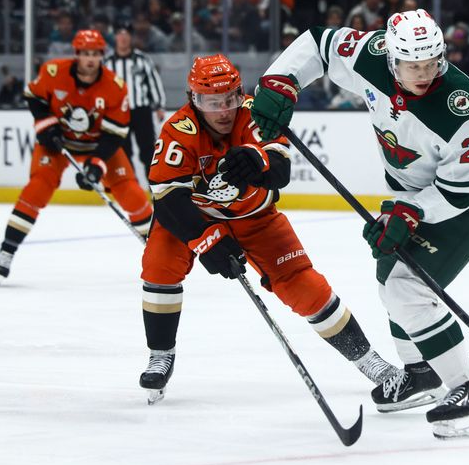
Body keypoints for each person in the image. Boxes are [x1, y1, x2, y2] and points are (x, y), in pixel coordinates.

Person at [249, 10, 469, 440]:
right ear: (391, 60)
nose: (424, 74)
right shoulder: (371, 54)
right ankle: (421, 373)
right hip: (410, 196)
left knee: (409, 290)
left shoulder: (461, 104)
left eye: (431, 63)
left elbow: (459, 192)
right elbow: (319, 44)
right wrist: (281, 81)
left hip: (464, 206)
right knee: (389, 276)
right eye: (413, 66)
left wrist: (408, 214)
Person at [138, 54, 398, 404]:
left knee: (304, 285)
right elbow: (168, 202)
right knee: (158, 265)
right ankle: (161, 355)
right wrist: (207, 240)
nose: (223, 110)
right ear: (193, 100)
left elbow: (280, 170)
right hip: (196, 217)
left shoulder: (254, 113)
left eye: (229, 98)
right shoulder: (178, 132)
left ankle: (373, 364)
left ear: (240, 93)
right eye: (212, 102)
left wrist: (259, 163)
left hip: (256, 217)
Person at [0, 30, 153, 286]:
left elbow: (115, 134)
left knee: (132, 194)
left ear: (102, 56)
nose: (90, 59)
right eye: (85, 54)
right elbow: (33, 97)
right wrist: (47, 126)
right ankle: (6, 251)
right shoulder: (54, 72)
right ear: (77, 54)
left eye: (95, 54)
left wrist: (96, 166)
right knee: (36, 189)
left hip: (99, 145)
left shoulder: (115, 86)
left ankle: (157, 251)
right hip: (57, 144)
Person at [104, 21, 166, 178]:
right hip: (118, 112)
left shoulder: (142, 59)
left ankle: (155, 189)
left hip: (141, 110)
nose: (123, 38)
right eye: (120, 34)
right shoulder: (107, 62)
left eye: (126, 34)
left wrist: (159, 105)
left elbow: (153, 82)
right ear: (115, 37)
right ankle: (132, 189)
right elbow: (101, 88)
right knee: (124, 152)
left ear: (131, 37)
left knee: (148, 151)